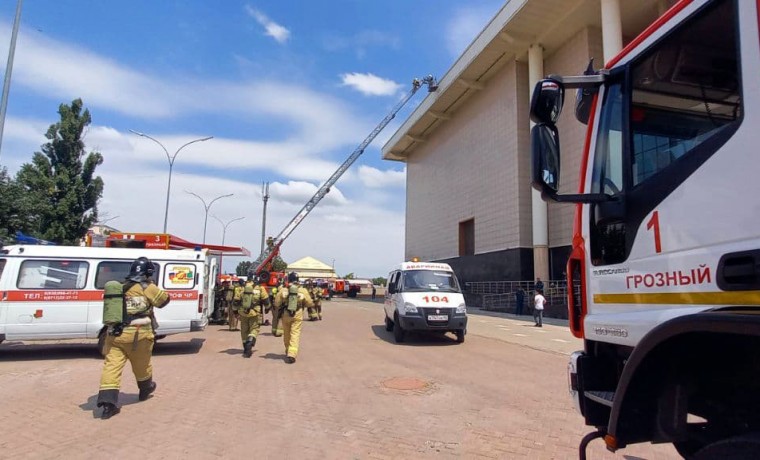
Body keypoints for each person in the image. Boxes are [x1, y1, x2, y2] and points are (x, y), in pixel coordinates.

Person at [96, 257, 170, 419]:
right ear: (148, 273)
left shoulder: (119, 287)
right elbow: (164, 301)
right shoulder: (147, 287)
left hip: (115, 334)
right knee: (141, 364)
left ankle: (108, 404)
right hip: (139, 334)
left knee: (111, 367)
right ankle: (145, 388)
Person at [273, 272, 313, 364]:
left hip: (285, 315)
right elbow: (309, 303)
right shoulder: (303, 290)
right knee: (295, 333)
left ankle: (288, 350)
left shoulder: (283, 290)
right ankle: (292, 354)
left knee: (286, 333)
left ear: (289, 280)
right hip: (297, 314)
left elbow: (277, 303)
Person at [236, 275, 269, 358]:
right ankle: (249, 344)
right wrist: (267, 308)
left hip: (243, 313)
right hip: (255, 312)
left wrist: (235, 312)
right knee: (254, 329)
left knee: (244, 330)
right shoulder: (260, 288)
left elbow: (236, 301)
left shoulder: (242, 288)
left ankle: (245, 347)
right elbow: (266, 300)